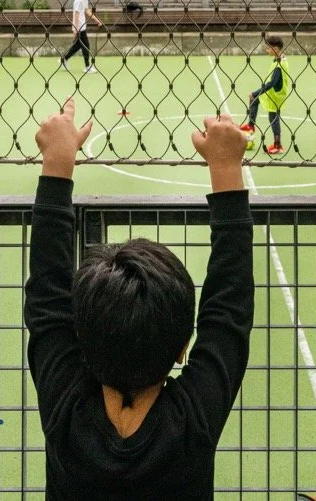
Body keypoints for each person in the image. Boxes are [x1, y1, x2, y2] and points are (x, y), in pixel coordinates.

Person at [24, 98, 252, 500]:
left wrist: (57, 164)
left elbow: (47, 299)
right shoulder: (192, 421)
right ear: (183, 349)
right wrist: (227, 170)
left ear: (81, 336)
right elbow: (227, 311)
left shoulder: (66, 407)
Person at [240, 35, 291, 155]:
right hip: (273, 93)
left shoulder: (279, 65)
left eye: (268, 48)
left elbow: (272, 83)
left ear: (276, 49)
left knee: (273, 119)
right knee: (254, 101)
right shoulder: (280, 59)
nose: (266, 50)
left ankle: (277, 146)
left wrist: (256, 92)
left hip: (275, 95)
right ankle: (251, 125)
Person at [61, 0, 104, 73]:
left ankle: (64, 60)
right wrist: (75, 29)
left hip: (82, 26)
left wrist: (97, 21)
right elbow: (76, 15)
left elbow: (87, 11)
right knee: (86, 46)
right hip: (79, 27)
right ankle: (87, 67)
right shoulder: (79, 0)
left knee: (77, 46)